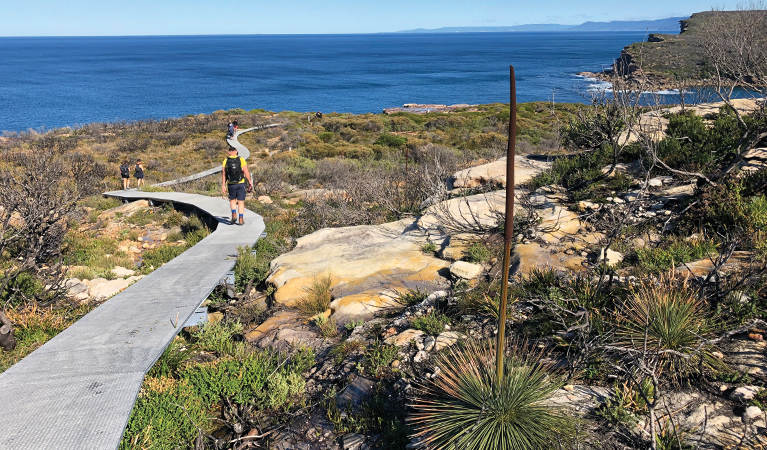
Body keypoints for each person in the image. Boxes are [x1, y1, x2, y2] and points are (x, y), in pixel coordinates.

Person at [221, 146, 252, 225]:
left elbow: (224, 174)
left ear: (229, 152)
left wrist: (223, 185)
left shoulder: (226, 160)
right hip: (241, 183)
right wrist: (249, 182)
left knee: (232, 200)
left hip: (231, 184)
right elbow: (246, 172)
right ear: (236, 151)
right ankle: (241, 219)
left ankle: (234, 214)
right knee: (241, 202)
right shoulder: (241, 159)